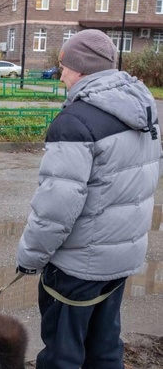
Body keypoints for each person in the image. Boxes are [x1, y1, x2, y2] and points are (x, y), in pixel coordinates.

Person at [16, 29, 162, 369]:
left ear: (80, 69)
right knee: (105, 347)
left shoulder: (75, 122)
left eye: (63, 66)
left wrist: (30, 257)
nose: (60, 73)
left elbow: (55, 209)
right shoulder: (143, 109)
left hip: (78, 266)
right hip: (120, 258)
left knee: (62, 354)